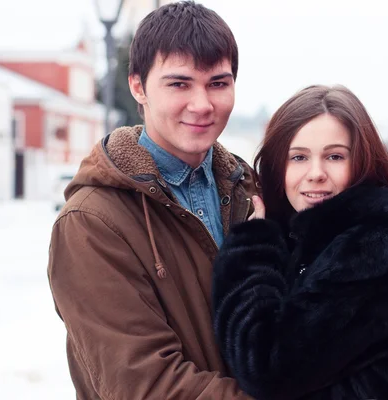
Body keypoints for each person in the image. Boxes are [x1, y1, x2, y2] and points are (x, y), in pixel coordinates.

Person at [47, 2, 257, 399]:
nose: (202, 104)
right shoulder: (91, 221)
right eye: (179, 84)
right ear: (138, 87)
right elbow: (145, 384)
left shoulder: (251, 193)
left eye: (217, 83)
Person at [212, 85, 388, 400]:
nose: (316, 173)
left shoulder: (375, 248)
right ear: (277, 166)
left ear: (362, 162)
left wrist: (251, 252)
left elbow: (267, 367)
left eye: (334, 156)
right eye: (298, 157)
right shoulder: (311, 239)